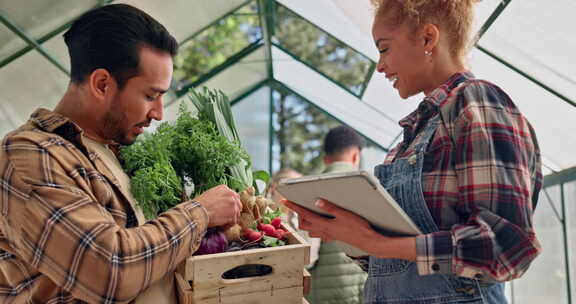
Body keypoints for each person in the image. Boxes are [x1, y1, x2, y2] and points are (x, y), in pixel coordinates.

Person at [283, 1, 542, 303]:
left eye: (384, 48)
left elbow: (506, 246)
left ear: (428, 39)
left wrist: (378, 243)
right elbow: (393, 264)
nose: (379, 65)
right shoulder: (408, 141)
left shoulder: (476, 104)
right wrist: (346, 234)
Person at [0, 4, 242, 304]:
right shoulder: (30, 155)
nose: (159, 113)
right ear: (102, 84)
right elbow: (109, 269)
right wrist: (201, 212)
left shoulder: (115, 150)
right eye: (150, 96)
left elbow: (153, 249)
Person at [305, 125, 368, 304]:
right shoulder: (366, 188)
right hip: (357, 291)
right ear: (356, 156)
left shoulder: (308, 190)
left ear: (326, 159)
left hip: (318, 294)